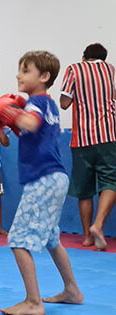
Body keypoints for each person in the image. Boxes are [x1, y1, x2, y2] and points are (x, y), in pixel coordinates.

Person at [0, 51, 83, 315]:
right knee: (51, 238)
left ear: (44, 77)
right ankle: (72, 290)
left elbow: (30, 122)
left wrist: (5, 109)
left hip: (44, 179)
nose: (18, 75)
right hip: (53, 178)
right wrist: (3, 126)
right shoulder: (40, 105)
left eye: (25, 70)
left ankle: (33, 302)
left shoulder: (38, 102)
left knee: (18, 239)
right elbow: (23, 131)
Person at [60, 43, 116, 250]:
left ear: (84, 57)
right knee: (111, 181)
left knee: (84, 189)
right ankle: (98, 225)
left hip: (82, 139)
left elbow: (65, 102)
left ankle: (86, 236)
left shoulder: (74, 69)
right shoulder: (110, 69)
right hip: (108, 136)